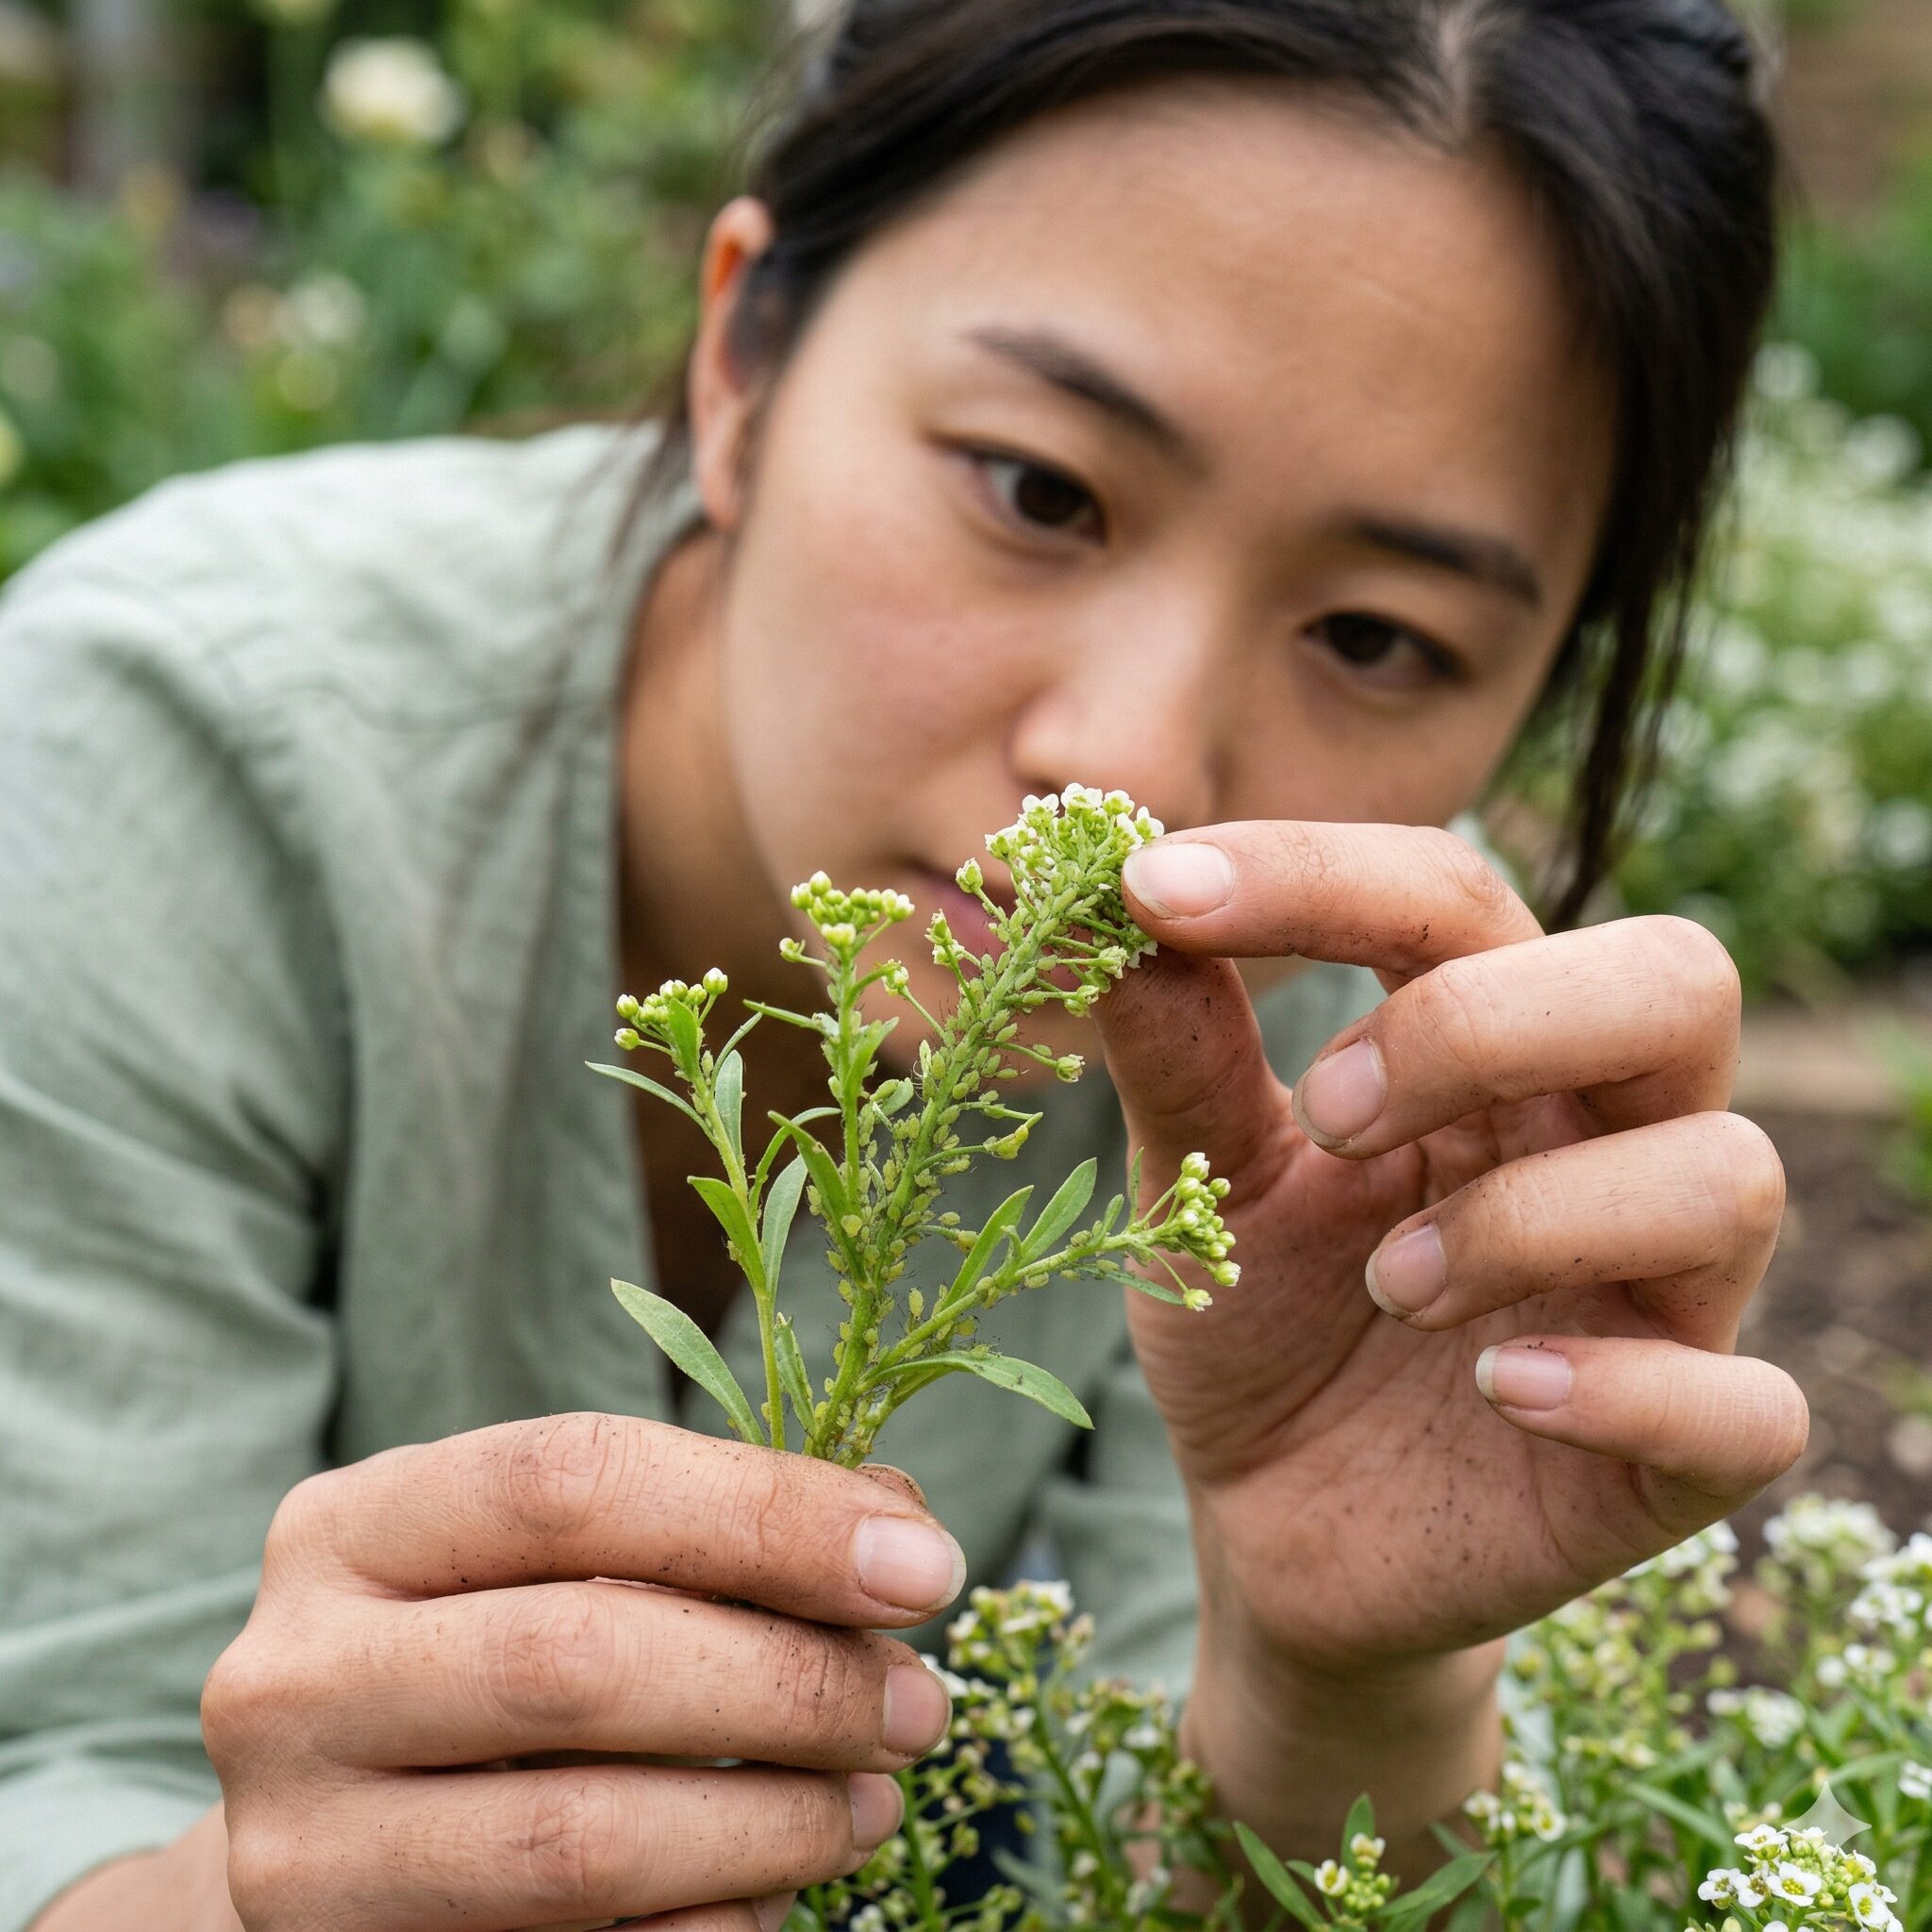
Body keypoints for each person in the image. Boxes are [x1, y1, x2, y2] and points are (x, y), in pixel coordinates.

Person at [0, 2, 1810, 1927]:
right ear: (740, 361)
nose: (1130, 774)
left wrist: (1341, 1687)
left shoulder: (1375, 1049)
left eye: (1374, 638)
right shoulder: (167, 760)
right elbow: (63, 1774)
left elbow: (1148, 1876)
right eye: (1038, 489)